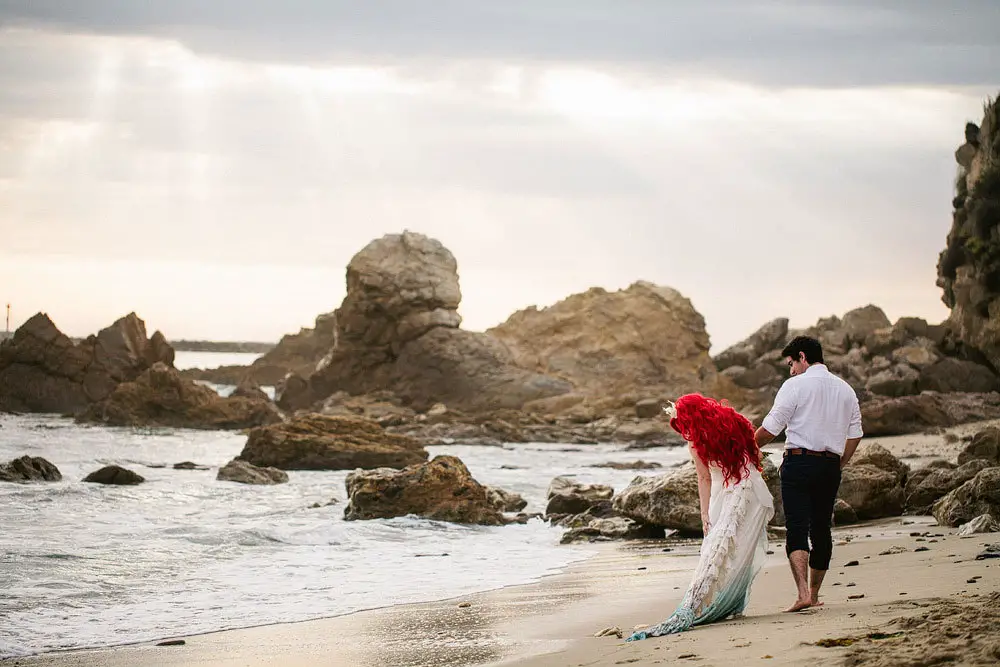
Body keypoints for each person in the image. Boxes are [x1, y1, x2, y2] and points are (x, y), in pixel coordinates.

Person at [627, 393, 774, 641]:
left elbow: (704, 477)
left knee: (716, 549)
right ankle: (726, 601)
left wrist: (704, 512)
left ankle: (699, 605)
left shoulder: (696, 440)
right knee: (737, 548)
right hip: (752, 490)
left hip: (724, 490)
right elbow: (754, 454)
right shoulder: (735, 421)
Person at [754, 335, 863, 613]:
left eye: (791, 363)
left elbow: (771, 429)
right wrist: (840, 463)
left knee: (797, 527)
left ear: (803, 357)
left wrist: (745, 448)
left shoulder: (795, 386)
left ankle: (802, 593)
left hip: (799, 463)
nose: (790, 370)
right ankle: (814, 594)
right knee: (822, 528)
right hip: (829, 466)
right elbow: (855, 434)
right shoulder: (846, 389)